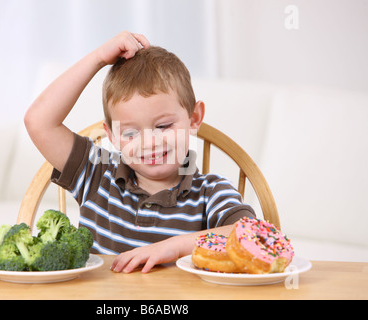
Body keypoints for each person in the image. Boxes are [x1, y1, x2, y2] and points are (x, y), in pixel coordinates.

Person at [24, 31, 255, 273]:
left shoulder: (210, 193)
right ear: (112, 136)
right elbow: (38, 121)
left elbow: (248, 234)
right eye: (130, 133)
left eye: (163, 126)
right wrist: (98, 59)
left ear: (194, 118)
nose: (149, 143)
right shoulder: (97, 174)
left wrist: (174, 247)